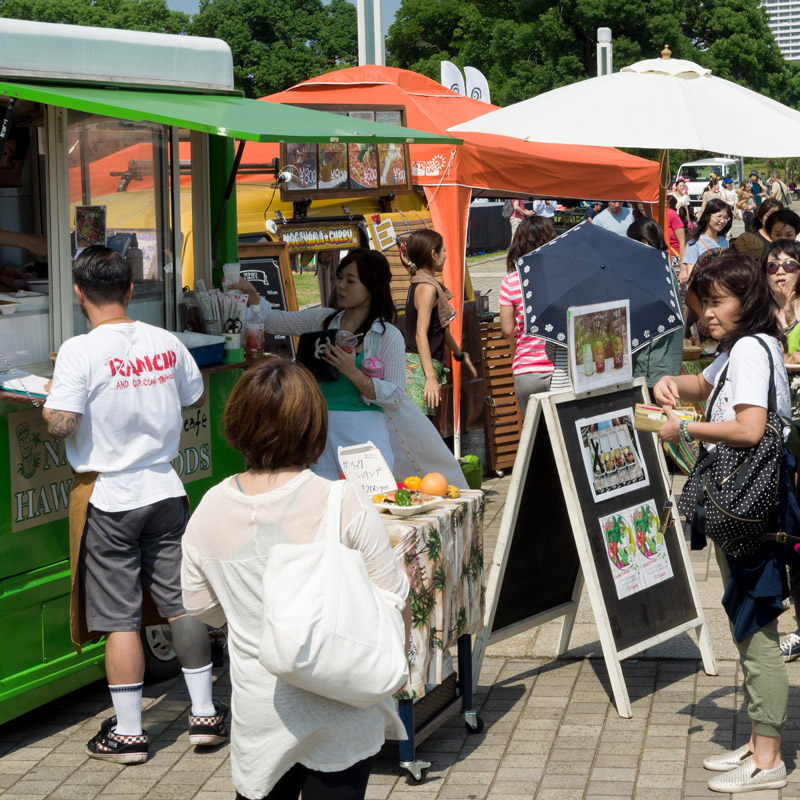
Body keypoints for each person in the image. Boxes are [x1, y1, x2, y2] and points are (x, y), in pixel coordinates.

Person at [181, 358, 410, 800]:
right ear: (313, 425)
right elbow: (393, 596)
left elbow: (200, 607)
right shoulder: (342, 500)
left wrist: (249, 607)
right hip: (343, 706)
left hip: (263, 712)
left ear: (238, 424)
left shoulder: (210, 508)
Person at [42, 246, 227, 764]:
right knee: (179, 602)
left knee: (120, 618)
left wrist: (48, 403)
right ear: (129, 291)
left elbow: (63, 424)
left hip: (112, 497)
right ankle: (205, 714)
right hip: (165, 489)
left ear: (78, 293)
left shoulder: (79, 350)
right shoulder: (164, 341)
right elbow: (192, 394)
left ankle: (128, 733)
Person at [655, 250, 791, 793]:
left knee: (757, 626)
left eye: (718, 301)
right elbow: (706, 384)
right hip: (742, 502)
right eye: (703, 303)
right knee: (745, 618)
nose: (708, 313)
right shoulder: (741, 349)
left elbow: (750, 428)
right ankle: (760, 739)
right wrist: (672, 384)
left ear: (746, 299)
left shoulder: (753, 350)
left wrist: (684, 430)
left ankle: (769, 761)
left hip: (750, 505)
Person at [235, 249, 468, 487]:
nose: (341, 286)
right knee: (324, 504)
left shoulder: (388, 336)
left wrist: (355, 374)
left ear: (371, 287)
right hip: (320, 432)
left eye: (350, 280)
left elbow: (396, 396)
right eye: (340, 277)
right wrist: (251, 293)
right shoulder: (324, 320)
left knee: (369, 506)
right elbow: (274, 321)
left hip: (365, 435)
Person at [402, 230, 477, 421]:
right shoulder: (427, 288)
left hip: (420, 368)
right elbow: (421, 334)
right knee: (422, 436)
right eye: (443, 251)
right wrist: (430, 378)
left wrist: (459, 354)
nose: (446, 255)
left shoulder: (418, 281)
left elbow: (439, 330)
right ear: (433, 255)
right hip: (420, 372)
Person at [499, 216, 557, 415]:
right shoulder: (559, 277)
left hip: (526, 371)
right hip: (558, 368)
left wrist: (521, 325)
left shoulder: (510, 282)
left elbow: (507, 330)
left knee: (534, 438)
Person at [626, 217, 683, 387]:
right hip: (665, 362)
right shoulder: (663, 265)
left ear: (643, 241)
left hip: (652, 366)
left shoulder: (650, 270)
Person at [679, 198, 732, 288]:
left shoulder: (724, 241)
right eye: (719, 216)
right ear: (707, 216)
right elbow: (691, 277)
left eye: (726, 218)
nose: (723, 221)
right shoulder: (695, 243)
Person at [665, 196, 686, 268]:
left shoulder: (671, 214)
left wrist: (683, 267)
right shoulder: (653, 213)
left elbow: (682, 241)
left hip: (674, 256)